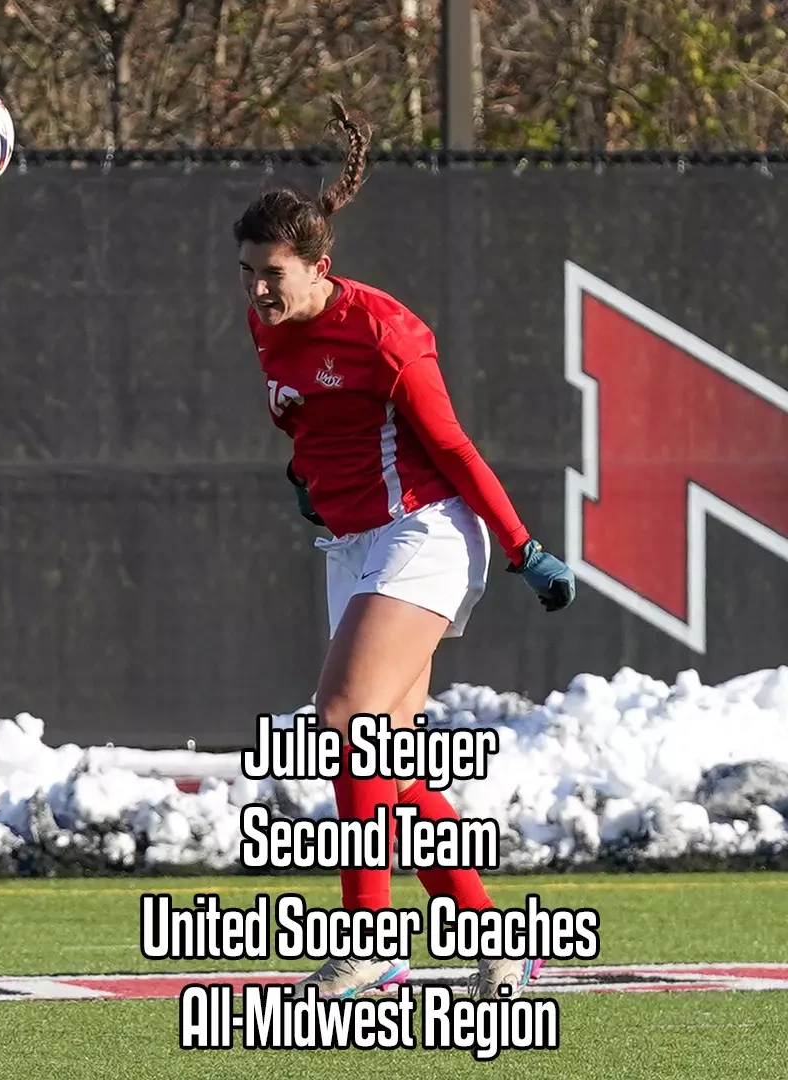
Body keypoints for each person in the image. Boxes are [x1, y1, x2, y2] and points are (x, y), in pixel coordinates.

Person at [237, 100, 576, 1002]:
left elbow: (455, 448)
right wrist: (306, 470)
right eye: (246, 274)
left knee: (340, 720)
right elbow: (307, 416)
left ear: (320, 266)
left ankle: (367, 942)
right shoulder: (266, 324)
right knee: (376, 764)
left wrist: (523, 547)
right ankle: (501, 940)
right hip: (348, 547)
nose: (257, 291)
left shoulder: (386, 333)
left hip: (424, 534)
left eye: (272, 274)